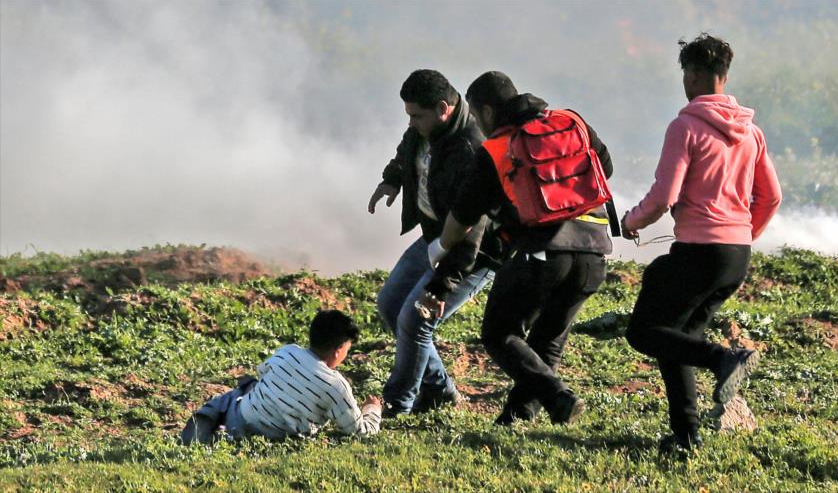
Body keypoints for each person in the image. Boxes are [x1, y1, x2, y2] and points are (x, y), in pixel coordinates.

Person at [422, 71, 615, 425]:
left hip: (542, 254)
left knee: (499, 333)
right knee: (548, 339)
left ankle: (558, 395)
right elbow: (607, 167)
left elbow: (463, 217)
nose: (479, 123)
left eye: (479, 116)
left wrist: (440, 248)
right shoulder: (571, 122)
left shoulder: (497, 149)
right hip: (595, 251)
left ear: (488, 112)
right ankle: (518, 416)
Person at [621, 34, 782, 453]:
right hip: (736, 256)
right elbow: (771, 197)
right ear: (724, 77)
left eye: (686, 74)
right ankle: (686, 436)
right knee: (677, 339)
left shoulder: (685, 126)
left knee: (643, 331)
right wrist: (742, 235)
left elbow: (664, 196)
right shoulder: (751, 133)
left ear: (692, 75)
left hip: (698, 252)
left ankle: (724, 359)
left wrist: (631, 220)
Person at [368, 69, 495, 417]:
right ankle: (440, 391)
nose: (411, 123)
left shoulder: (472, 148)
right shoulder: (427, 128)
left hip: (473, 253)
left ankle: (398, 402)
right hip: (434, 236)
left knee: (416, 318)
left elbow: (474, 228)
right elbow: (408, 146)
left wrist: (441, 287)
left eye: (416, 116)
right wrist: (393, 179)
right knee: (390, 303)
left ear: (443, 108)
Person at [180, 310, 381, 444]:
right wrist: (372, 409)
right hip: (279, 437)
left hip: (241, 418)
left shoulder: (287, 352)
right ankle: (210, 433)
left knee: (236, 394)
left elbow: (263, 373)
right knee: (246, 389)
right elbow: (361, 432)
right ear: (339, 350)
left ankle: (200, 430)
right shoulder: (336, 386)